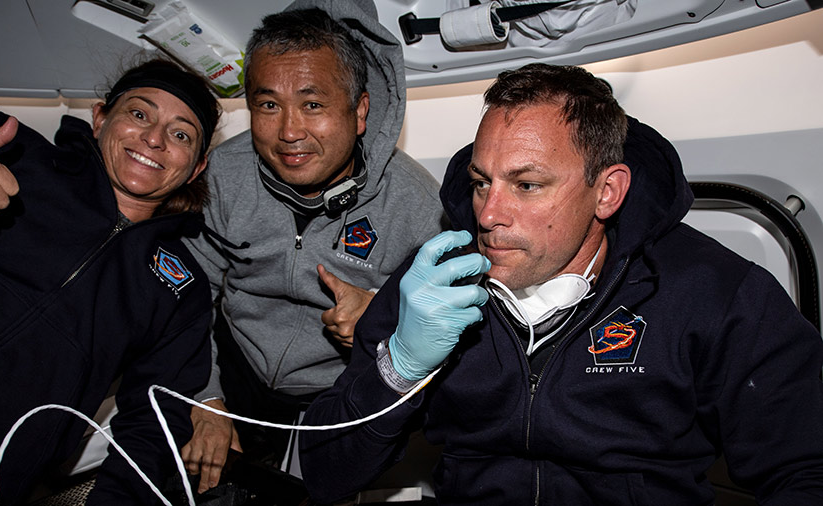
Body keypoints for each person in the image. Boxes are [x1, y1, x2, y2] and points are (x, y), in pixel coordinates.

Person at [299, 63, 823, 504]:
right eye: (482, 183)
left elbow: (807, 469)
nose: (489, 215)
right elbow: (326, 472)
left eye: (527, 185)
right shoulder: (434, 283)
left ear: (608, 192)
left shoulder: (714, 293)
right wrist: (399, 370)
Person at [0, 59, 220, 505]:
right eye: (139, 114)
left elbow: (154, 423)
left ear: (196, 168)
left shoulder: (182, 291)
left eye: (181, 135)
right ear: (100, 117)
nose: (155, 139)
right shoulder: (11, 153)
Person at [181, 0, 446, 493]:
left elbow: (444, 345)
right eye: (267, 104)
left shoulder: (419, 207)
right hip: (232, 366)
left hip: (337, 388)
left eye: (313, 104)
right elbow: (185, 299)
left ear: (360, 110)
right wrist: (205, 401)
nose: (288, 132)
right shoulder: (223, 174)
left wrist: (382, 319)